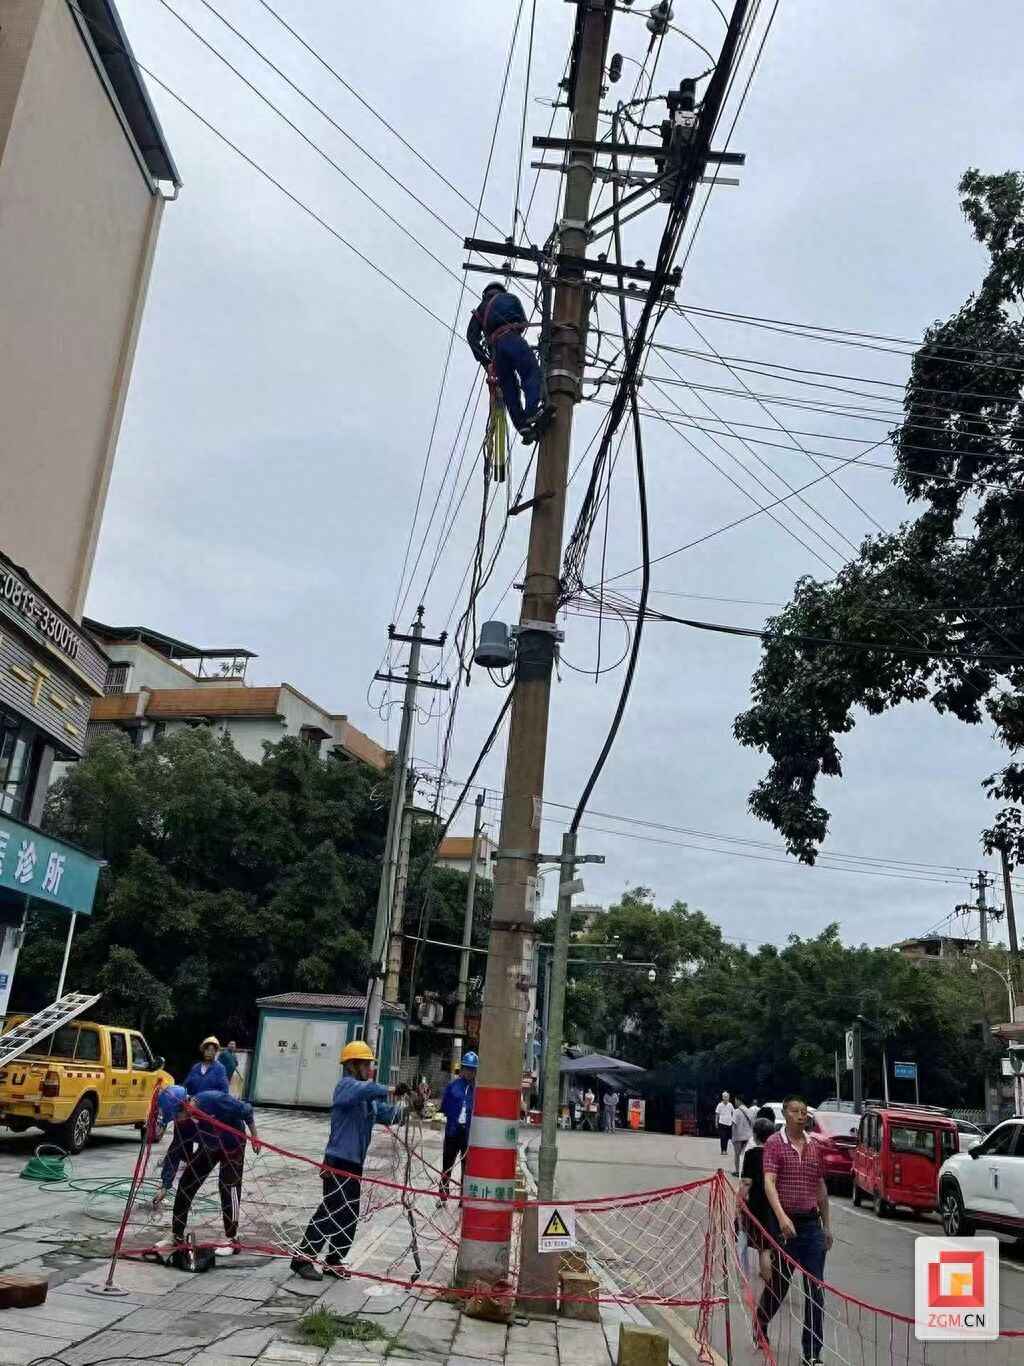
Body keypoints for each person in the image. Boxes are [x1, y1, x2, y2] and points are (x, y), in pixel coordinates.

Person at [290, 1041, 410, 1282]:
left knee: (348, 1213)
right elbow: (364, 1090)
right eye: (366, 1064)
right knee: (331, 1209)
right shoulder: (345, 1087)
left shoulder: (368, 1099)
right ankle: (302, 1257)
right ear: (352, 1066)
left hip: (354, 1163)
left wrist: (409, 1107)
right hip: (338, 1160)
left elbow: (388, 1115)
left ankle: (334, 1260)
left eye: (370, 1064)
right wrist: (391, 1088)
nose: (369, 1068)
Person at [759, 1095, 833, 1364]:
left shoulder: (815, 1147)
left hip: (811, 1225)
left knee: (815, 1289)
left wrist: (827, 1226)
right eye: (796, 1111)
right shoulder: (774, 1144)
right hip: (786, 1226)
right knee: (779, 1285)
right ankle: (761, 1320)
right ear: (786, 1115)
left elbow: (821, 1189)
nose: (802, 1115)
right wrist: (781, 1218)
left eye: (804, 1112)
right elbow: (769, 1183)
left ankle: (811, 1352)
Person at [157, 1087, 260, 1260]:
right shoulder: (182, 1124)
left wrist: (255, 1137)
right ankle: (177, 1235)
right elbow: (176, 1150)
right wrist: (165, 1185)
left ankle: (232, 1239)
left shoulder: (213, 1100)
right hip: (209, 1147)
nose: (176, 1120)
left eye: (177, 1116)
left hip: (232, 1145)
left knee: (229, 1187)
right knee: (186, 1183)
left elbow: (246, 1110)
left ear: (185, 1105)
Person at [466, 283, 552, 443]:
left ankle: (522, 426)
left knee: (509, 390)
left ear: (485, 294)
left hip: (497, 350)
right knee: (530, 371)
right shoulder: (509, 299)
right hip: (512, 338)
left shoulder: (481, 308)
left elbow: (471, 336)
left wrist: (486, 362)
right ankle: (532, 410)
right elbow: (522, 322)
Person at [738, 1117, 779, 1293]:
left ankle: (768, 1287)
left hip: (756, 1204)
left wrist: (739, 1201)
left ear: (755, 1135)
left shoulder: (752, 1154)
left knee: (756, 1244)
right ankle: (771, 1282)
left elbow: (747, 1182)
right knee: (768, 1246)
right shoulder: (777, 1154)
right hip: (775, 1204)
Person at [438, 1051, 477, 1201]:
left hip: (468, 1134)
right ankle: (442, 1194)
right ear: (462, 1069)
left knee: (466, 1167)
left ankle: (463, 1197)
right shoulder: (453, 1087)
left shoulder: (477, 1090)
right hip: (453, 1131)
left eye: (472, 1070)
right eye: (467, 1068)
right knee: (447, 1163)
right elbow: (445, 1107)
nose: (469, 1072)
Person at [731, 1097, 753, 1177]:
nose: (735, 1102)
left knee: (737, 1155)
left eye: (736, 1100)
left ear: (739, 1101)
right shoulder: (749, 1111)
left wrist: (733, 1137)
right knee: (746, 1155)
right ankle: (745, 1171)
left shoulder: (736, 1111)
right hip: (748, 1137)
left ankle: (737, 1171)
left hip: (738, 1136)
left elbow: (734, 1124)